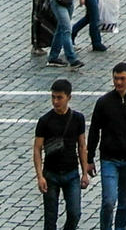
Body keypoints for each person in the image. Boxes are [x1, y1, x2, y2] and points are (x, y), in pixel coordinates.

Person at [88, 63, 126, 230]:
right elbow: (94, 130)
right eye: (116, 78)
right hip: (109, 158)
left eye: (122, 78)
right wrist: (89, 158)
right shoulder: (104, 102)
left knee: (124, 203)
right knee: (108, 201)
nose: (119, 82)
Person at [31, 78, 87, 230]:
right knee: (50, 218)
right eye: (53, 97)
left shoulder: (78, 119)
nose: (56, 101)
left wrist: (85, 172)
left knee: (75, 213)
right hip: (51, 174)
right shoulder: (45, 121)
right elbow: (37, 148)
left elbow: (82, 145)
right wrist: (40, 176)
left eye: (59, 97)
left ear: (68, 97)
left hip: (71, 173)